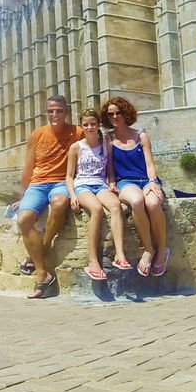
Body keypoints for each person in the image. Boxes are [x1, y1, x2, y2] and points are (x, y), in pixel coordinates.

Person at [16, 94, 82, 299]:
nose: (55, 114)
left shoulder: (77, 132)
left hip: (62, 182)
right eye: (51, 111)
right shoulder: (37, 134)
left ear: (67, 112)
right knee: (24, 218)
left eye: (59, 110)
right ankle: (43, 273)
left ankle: (41, 250)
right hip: (37, 184)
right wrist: (23, 194)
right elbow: (29, 167)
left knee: (60, 202)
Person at [102, 96, 170, 276]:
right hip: (125, 182)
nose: (114, 117)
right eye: (110, 115)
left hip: (145, 180)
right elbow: (110, 166)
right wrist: (112, 182)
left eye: (118, 113)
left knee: (154, 204)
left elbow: (149, 164)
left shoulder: (141, 136)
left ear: (125, 114)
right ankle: (149, 250)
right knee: (137, 200)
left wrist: (153, 182)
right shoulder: (108, 139)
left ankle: (162, 250)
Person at [65, 110, 130, 280]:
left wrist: (112, 183)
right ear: (81, 126)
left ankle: (120, 255)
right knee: (96, 209)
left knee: (116, 206)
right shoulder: (76, 147)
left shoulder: (105, 144)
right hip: (82, 186)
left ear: (98, 124)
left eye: (93, 124)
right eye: (85, 124)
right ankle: (93, 261)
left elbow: (109, 168)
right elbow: (69, 176)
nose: (89, 127)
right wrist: (72, 195)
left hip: (100, 184)